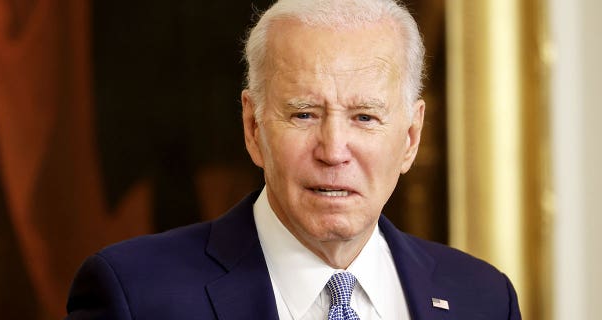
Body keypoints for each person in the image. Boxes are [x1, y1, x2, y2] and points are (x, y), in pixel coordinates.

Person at [65, 0, 522, 319]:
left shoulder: (483, 298)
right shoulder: (136, 296)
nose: (333, 150)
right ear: (253, 127)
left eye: (364, 117)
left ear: (410, 136)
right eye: (304, 114)